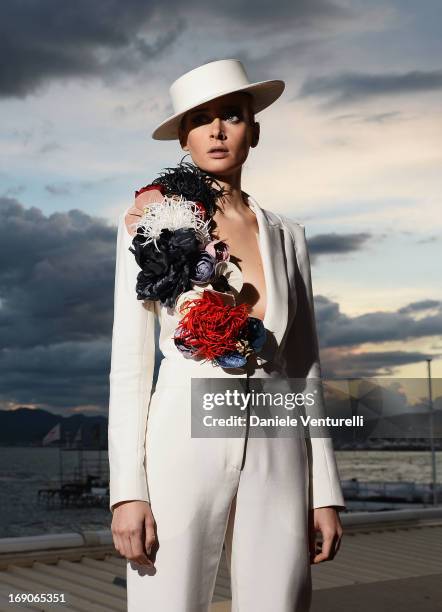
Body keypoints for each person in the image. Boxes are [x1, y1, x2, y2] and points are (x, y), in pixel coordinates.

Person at [108, 59, 346, 612]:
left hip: (278, 444)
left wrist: (326, 493)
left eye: (232, 116)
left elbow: (306, 365)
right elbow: (130, 366)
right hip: (180, 446)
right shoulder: (152, 223)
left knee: (278, 603)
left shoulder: (288, 235)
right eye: (203, 119)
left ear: (253, 130)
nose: (218, 130)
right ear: (185, 137)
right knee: (167, 603)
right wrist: (128, 491)